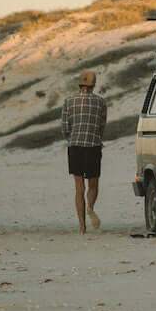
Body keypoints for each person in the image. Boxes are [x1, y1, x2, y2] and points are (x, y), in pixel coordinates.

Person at [61, 70, 108, 233]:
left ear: (80, 85)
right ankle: (90, 206)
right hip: (93, 146)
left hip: (75, 147)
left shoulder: (69, 101)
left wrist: (72, 137)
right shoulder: (101, 102)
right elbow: (102, 126)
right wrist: (95, 137)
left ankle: (82, 226)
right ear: (93, 86)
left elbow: (65, 128)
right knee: (93, 185)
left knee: (79, 187)